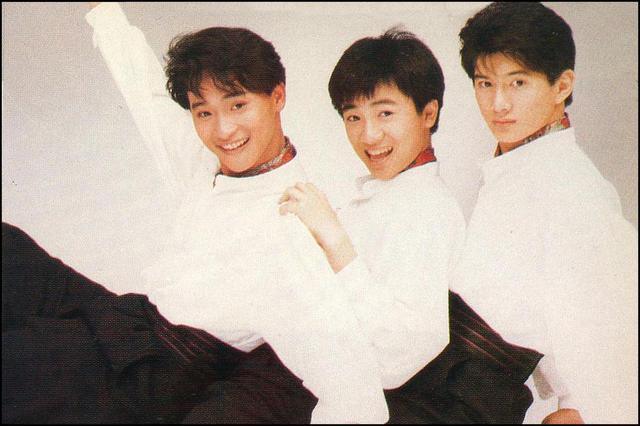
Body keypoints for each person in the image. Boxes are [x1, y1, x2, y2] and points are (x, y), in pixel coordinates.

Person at [3, 2, 390, 423]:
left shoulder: (294, 218)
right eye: (204, 112)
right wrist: (103, 10)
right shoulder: (206, 162)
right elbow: (147, 95)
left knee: (19, 362)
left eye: (238, 105)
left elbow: (350, 382)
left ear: (277, 96)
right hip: (128, 322)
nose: (223, 130)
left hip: (159, 373)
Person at [195, 28, 543, 424]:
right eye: (353, 117)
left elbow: (398, 356)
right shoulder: (383, 197)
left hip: (326, 394)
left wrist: (333, 239)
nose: (369, 135)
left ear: (428, 114)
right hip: (289, 372)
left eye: (385, 113)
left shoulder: (425, 208)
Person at [452, 2, 638, 423]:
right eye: (485, 83)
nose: (499, 103)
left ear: (561, 85)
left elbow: (614, 332)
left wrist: (577, 408)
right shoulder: (516, 166)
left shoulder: (571, 187)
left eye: (518, 83)